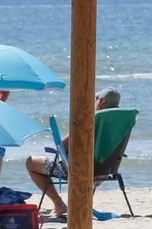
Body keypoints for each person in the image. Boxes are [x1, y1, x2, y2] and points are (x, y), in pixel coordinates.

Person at [25, 87, 121, 216]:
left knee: (31, 162)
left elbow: (62, 146)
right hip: (104, 171)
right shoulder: (120, 122)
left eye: (96, 99)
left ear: (101, 102)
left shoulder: (91, 120)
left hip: (79, 170)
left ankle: (59, 205)